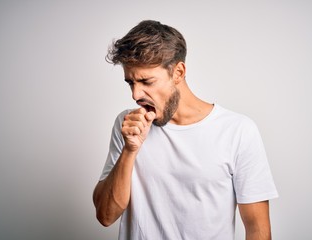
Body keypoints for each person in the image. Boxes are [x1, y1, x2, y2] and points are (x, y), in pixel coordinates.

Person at [93, 20, 278, 240]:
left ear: (178, 72)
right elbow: (105, 215)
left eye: (146, 81)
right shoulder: (127, 126)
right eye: (130, 83)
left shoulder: (237, 131)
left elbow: (257, 228)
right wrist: (130, 150)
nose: (136, 95)